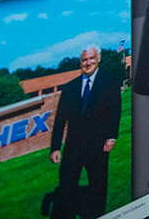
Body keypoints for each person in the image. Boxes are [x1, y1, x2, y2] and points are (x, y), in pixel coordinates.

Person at [49, 45, 122, 219]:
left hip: (98, 146)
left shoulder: (109, 81)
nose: (88, 63)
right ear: (80, 62)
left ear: (98, 59)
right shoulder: (69, 88)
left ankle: (98, 215)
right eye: (84, 60)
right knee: (66, 187)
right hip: (73, 148)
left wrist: (111, 136)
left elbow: (116, 110)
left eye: (91, 58)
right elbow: (60, 120)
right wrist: (55, 147)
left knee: (98, 186)